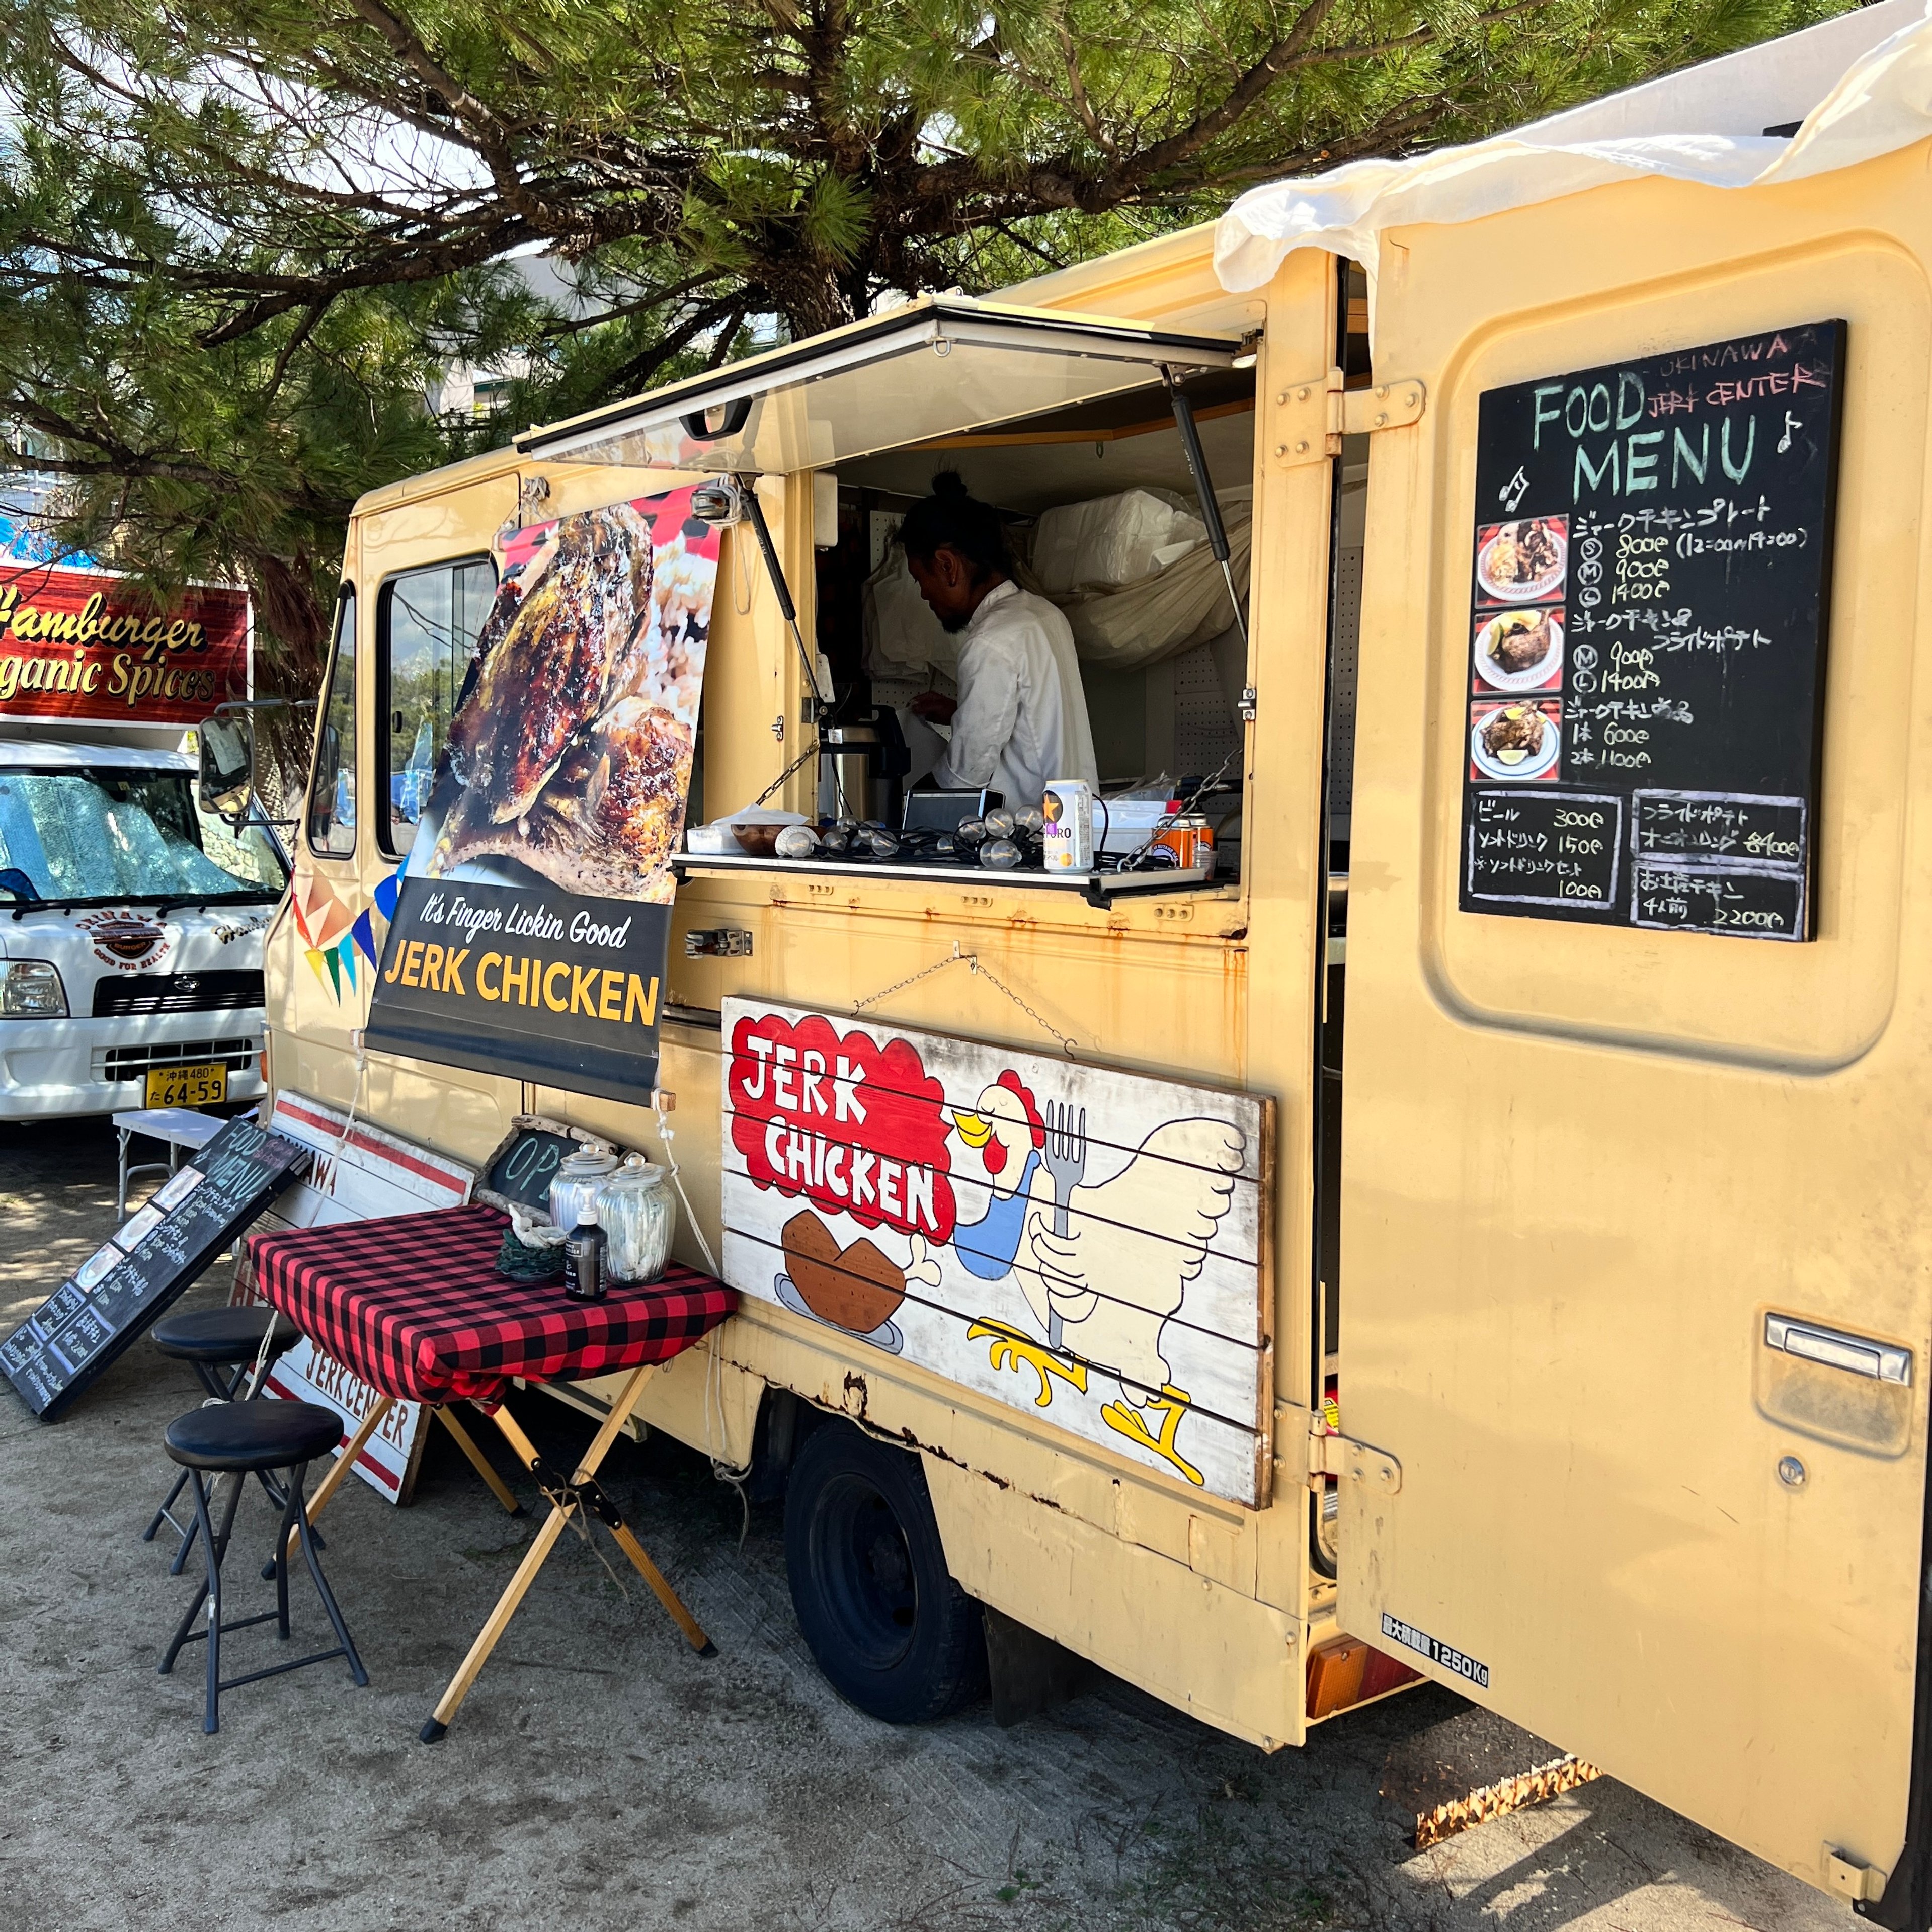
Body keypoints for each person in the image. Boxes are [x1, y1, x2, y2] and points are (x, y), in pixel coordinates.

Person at [900, 473, 1097, 811]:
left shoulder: (990, 642)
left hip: (1024, 833)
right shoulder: (1044, 614)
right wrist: (960, 714)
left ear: (947, 566)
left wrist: (907, 803)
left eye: (920, 579)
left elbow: (965, 776)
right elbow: (1033, 723)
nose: (923, 594)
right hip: (1072, 824)